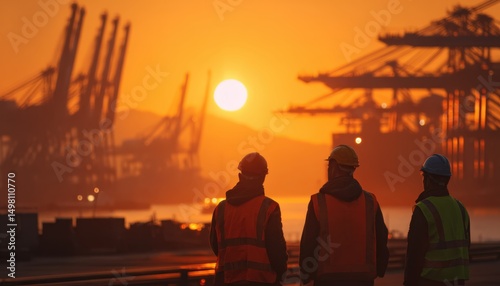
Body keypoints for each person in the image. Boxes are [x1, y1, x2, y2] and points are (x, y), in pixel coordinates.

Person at [299, 144, 389, 286]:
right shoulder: (370, 202)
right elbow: (381, 237)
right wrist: (381, 268)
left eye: (329, 166)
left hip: (327, 280)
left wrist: (305, 276)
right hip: (362, 279)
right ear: (353, 169)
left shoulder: (319, 202)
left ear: (334, 167)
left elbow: (308, 243)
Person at [210, 152, 288, 286]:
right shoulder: (269, 208)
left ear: (240, 176)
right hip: (261, 280)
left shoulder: (221, 209)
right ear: (263, 177)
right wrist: (280, 273)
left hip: (226, 280)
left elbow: (215, 245)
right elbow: (276, 250)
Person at [404, 154, 470, 286]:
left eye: (423, 177)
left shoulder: (424, 209)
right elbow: (466, 247)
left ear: (428, 179)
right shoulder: (460, 208)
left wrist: (409, 282)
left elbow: (414, 254)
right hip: (457, 280)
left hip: (431, 280)